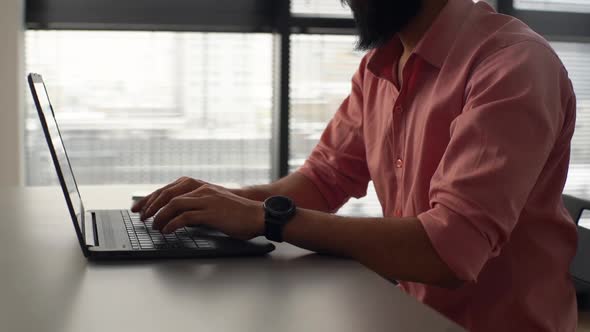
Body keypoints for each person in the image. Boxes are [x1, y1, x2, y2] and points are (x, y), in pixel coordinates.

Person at [131, 0, 578, 330]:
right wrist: (215, 203)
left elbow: (448, 249)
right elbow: (322, 180)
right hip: (406, 314)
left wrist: (266, 218)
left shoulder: (511, 64)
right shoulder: (378, 67)